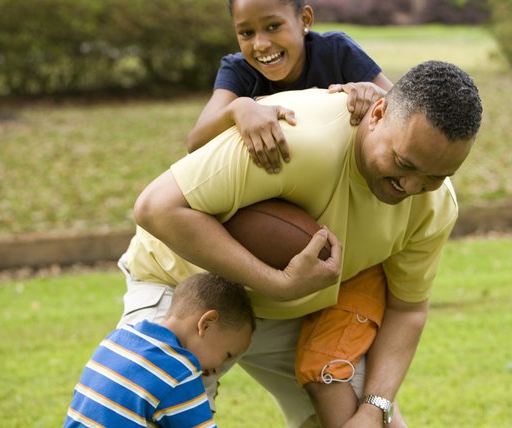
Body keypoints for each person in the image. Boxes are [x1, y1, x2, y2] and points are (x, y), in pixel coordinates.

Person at [119, 60, 483, 427]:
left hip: (294, 311)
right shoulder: (295, 137)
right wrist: (277, 282)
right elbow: (156, 208)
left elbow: (408, 310)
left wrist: (375, 407)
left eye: (435, 176)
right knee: (133, 412)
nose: (411, 186)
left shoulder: (434, 206)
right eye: (402, 162)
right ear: (378, 112)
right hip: (182, 286)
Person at [186, 0, 393, 173]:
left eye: (273, 26)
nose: (260, 44)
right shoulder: (238, 70)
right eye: (247, 33)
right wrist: (238, 109)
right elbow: (195, 143)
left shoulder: (337, 51)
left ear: (305, 19)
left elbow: (403, 107)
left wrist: (374, 92)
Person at [65, 273, 255, 428]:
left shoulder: (117, 339)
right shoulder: (180, 373)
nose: (218, 369)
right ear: (206, 324)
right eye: (227, 355)